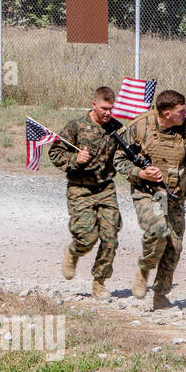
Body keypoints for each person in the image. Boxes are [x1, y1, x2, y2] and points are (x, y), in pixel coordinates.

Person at [116, 90, 186, 310]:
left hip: (175, 195)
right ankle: (144, 270)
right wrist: (140, 174)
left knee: (174, 246)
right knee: (158, 230)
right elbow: (119, 159)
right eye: (181, 111)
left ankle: (161, 295)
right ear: (166, 113)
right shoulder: (141, 127)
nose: (185, 114)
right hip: (147, 192)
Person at [48, 86, 122, 300]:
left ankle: (99, 283)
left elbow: (128, 153)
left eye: (111, 108)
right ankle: (74, 251)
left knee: (110, 237)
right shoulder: (76, 126)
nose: (108, 113)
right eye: (104, 108)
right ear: (94, 105)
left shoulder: (116, 129)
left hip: (105, 187)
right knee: (87, 236)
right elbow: (55, 152)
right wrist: (74, 160)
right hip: (80, 188)